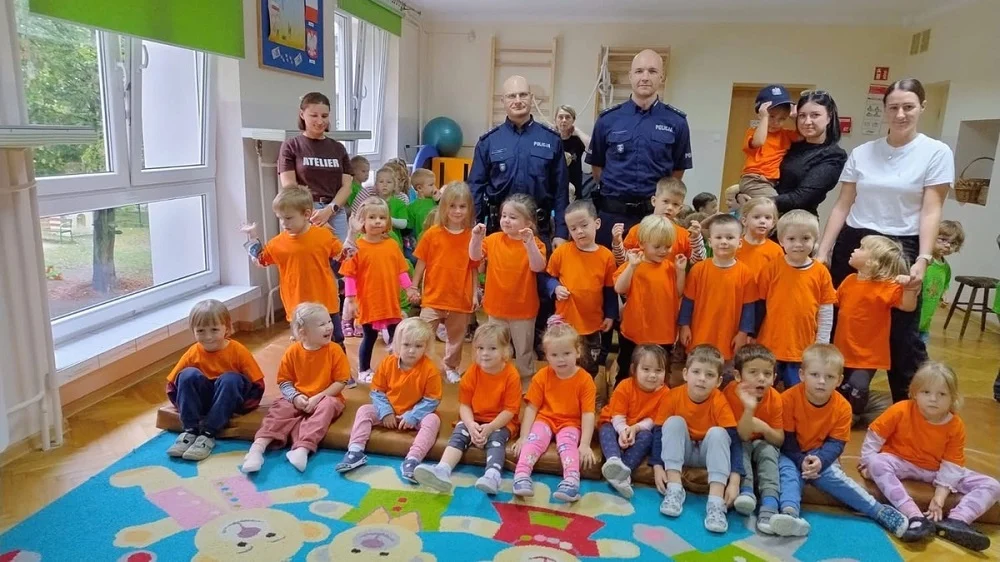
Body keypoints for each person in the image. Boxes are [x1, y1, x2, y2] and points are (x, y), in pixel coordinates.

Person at [817, 78, 954, 403]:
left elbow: (931, 210)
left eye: (908, 107)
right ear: (884, 110)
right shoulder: (863, 152)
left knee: (902, 331)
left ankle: (912, 406)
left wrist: (923, 258)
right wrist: (823, 250)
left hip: (902, 246)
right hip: (856, 241)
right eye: (893, 107)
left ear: (922, 107)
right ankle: (840, 399)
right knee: (844, 320)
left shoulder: (936, 152)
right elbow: (843, 204)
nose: (900, 114)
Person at [771, 344, 909, 539]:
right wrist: (800, 460)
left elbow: (836, 443)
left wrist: (821, 461)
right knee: (789, 475)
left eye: (829, 377)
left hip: (822, 454)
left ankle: (879, 511)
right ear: (802, 375)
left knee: (836, 479)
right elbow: (788, 440)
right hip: (791, 453)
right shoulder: (787, 399)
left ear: (839, 380)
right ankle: (789, 514)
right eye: (815, 375)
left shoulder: (843, 407)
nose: (821, 381)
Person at [860, 362, 1000, 551]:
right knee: (877, 462)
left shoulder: (955, 425)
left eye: (942, 394)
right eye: (926, 392)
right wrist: (867, 462)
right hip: (901, 462)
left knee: (992, 485)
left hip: (937, 470)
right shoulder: (900, 410)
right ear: (914, 393)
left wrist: (939, 498)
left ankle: (956, 521)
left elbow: (952, 464)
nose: (933, 399)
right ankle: (914, 516)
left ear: (953, 398)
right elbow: (875, 436)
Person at [587, 49, 693, 249]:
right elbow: (597, 168)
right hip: (612, 215)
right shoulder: (608, 119)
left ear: (662, 77)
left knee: (652, 267)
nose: (645, 77)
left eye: (652, 71)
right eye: (639, 71)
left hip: (653, 217)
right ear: (630, 76)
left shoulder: (676, 121)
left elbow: (677, 172)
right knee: (610, 267)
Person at [413, 323, 522, 495]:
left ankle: (492, 475)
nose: (485, 353)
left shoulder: (511, 375)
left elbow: (510, 410)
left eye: (492, 348)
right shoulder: (472, 372)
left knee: (496, 439)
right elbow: (465, 405)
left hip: (500, 422)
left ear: (505, 351)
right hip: (474, 418)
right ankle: (443, 469)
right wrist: (471, 425)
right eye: (480, 348)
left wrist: (490, 427)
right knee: (459, 433)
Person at [241, 303, 350, 473]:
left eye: (329, 321)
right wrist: (295, 397)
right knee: (280, 409)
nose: (329, 326)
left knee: (327, 406)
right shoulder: (292, 352)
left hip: (327, 397)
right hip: (298, 397)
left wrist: (318, 397)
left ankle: (302, 449)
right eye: (322, 324)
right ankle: (257, 449)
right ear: (303, 333)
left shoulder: (335, 350)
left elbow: (341, 381)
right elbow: (284, 382)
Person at [335, 318, 442, 482]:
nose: (411, 351)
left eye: (418, 346)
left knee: (433, 420)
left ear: (426, 347)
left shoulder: (430, 370)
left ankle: (413, 459)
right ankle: (355, 451)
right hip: (389, 410)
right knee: (364, 410)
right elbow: (377, 391)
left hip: (414, 415)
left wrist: (413, 416)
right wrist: (385, 412)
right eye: (406, 345)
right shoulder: (387, 363)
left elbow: (432, 400)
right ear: (397, 344)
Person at [651, 345, 743, 534]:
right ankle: (675, 488)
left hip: (707, 455)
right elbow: (659, 432)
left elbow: (734, 442)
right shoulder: (673, 396)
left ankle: (716, 502)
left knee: (719, 433)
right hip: (682, 452)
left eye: (709, 375)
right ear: (686, 374)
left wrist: (734, 481)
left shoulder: (719, 401)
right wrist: (657, 466)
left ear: (718, 381)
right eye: (696, 372)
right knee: (674, 422)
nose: (702, 378)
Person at [469, 75, 570, 245]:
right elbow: (475, 189)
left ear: (531, 98)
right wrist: (475, 229)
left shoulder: (551, 140)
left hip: (539, 231)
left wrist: (561, 232)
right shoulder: (489, 142)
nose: (517, 101)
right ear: (503, 100)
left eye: (523, 95)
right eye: (511, 96)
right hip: (499, 232)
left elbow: (561, 190)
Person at [241, 186, 346, 349]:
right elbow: (260, 260)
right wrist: (253, 237)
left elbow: (343, 256)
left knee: (336, 341)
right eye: (280, 218)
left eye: (289, 218)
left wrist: (354, 234)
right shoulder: (277, 244)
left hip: (325, 302)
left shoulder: (323, 236)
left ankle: (340, 366)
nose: (284, 223)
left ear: (306, 214)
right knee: (304, 346)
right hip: (297, 306)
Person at [165, 300, 266, 461]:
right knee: (187, 374)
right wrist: (185, 406)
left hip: (229, 399)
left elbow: (257, 383)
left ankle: (208, 433)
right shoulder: (193, 352)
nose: (208, 337)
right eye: (201, 331)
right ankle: (190, 430)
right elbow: (173, 385)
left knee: (230, 379)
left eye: (214, 330)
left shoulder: (237, 350)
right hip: (204, 400)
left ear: (227, 328)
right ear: (193, 331)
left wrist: (243, 407)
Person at [510, 321, 597, 502]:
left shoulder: (585, 380)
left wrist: (585, 444)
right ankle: (521, 475)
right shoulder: (542, 376)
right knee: (533, 441)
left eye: (566, 353)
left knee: (568, 445)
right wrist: (523, 436)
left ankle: (571, 481)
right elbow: (532, 407)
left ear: (578, 352)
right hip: (545, 420)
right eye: (554, 355)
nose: (561, 359)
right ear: (547, 356)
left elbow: (588, 414)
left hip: (570, 423)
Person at [834, 235, 919, 416]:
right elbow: (835, 300)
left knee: (858, 386)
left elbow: (908, 306)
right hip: (842, 349)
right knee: (840, 385)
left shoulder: (887, 287)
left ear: (873, 262)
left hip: (868, 355)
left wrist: (909, 288)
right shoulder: (849, 280)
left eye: (861, 248)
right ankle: (842, 412)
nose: (855, 250)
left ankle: (855, 413)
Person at [469, 194, 548, 385]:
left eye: (513, 217)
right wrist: (476, 238)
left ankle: (526, 382)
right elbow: (474, 257)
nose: (506, 220)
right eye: (504, 215)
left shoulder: (536, 243)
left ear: (528, 222)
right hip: (496, 307)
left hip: (523, 309)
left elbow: (538, 266)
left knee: (523, 350)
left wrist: (529, 243)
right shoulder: (493, 239)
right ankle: (497, 378)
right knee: (496, 347)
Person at [756, 210, 837, 388]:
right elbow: (759, 305)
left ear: (815, 240)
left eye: (805, 238)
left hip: (803, 349)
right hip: (770, 346)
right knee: (764, 390)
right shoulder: (771, 268)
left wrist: (822, 342)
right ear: (781, 240)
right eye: (791, 239)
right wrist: (752, 335)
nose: (798, 244)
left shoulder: (821, 272)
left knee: (797, 392)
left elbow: (826, 309)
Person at [341, 198, 418, 383]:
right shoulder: (356, 247)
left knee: (395, 336)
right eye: (372, 217)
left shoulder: (391, 245)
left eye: (382, 218)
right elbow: (349, 275)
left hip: (390, 300)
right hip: (369, 302)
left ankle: (397, 367)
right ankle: (364, 370)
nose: (377, 221)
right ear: (362, 221)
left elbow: (401, 270)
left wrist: (409, 289)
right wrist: (350, 299)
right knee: (369, 336)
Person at [413, 182, 479, 383]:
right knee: (421, 333)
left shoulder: (472, 236)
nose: (457, 211)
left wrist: (475, 294)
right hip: (433, 297)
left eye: (462, 206)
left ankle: (451, 366)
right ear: (444, 207)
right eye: (452, 206)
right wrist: (413, 286)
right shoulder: (432, 234)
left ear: (469, 208)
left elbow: (474, 268)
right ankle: (418, 365)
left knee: (456, 338)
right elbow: (421, 263)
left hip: (460, 298)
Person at [545, 200, 617, 377]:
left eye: (584, 225)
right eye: (573, 228)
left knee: (590, 366)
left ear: (597, 223)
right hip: (565, 323)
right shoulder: (561, 252)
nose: (579, 231)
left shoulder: (606, 256)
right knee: (563, 363)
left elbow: (609, 289)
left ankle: (586, 390)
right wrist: (555, 288)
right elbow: (547, 277)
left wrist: (610, 315)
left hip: (592, 323)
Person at [613, 215, 687, 385]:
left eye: (667, 246)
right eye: (657, 246)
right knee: (626, 372)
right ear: (642, 244)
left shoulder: (670, 268)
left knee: (660, 375)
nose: (663, 251)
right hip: (634, 333)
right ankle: (620, 399)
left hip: (663, 334)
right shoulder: (633, 264)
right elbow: (619, 288)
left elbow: (678, 292)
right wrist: (631, 267)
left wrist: (681, 271)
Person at [678, 214, 756, 367]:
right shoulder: (698, 270)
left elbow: (748, 307)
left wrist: (743, 333)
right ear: (710, 241)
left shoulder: (746, 273)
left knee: (725, 374)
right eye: (718, 237)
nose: (724, 242)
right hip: (699, 336)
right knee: (698, 370)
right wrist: (684, 325)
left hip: (728, 338)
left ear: (740, 242)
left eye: (730, 237)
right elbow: (688, 301)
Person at [724, 344, 784, 534]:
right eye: (753, 372)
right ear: (738, 376)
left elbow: (779, 440)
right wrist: (749, 410)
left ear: (774, 378)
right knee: (740, 447)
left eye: (767, 374)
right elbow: (741, 436)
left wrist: (764, 428)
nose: (761, 378)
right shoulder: (729, 393)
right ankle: (747, 493)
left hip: (762, 441)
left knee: (768, 451)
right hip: (739, 439)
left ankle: (770, 504)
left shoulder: (775, 398)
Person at [279, 92, 352, 241]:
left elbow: (347, 187)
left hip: (335, 210)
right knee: (310, 252)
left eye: (324, 116)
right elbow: (290, 187)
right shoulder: (291, 146)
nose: (320, 121)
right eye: (314, 115)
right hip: (304, 211)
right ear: (302, 114)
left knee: (340, 253)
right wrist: (314, 215)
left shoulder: (338, 148)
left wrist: (329, 210)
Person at [598, 344, 669, 498]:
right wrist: (623, 430)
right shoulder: (625, 386)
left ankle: (623, 471)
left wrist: (635, 429)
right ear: (634, 369)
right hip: (615, 424)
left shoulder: (665, 393)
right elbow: (617, 415)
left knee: (648, 437)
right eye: (646, 369)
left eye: (659, 371)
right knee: (605, 429)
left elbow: (653, 420)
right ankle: (614, 460)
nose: (652, 375)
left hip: (640, 430)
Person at [765, 90, 848, 216]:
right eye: (802, 116)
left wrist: (758, 202)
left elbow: (801, 198)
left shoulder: (833, 155)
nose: (807, 122)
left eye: (815, 115)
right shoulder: (792, 145)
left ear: (829, 117)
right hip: (768, 215)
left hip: (798, 222)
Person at [613, 177, 705, 265]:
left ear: (680, 209)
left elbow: (697, 262)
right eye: (665, 201)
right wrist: (617, 243)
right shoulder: (637, 230)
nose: (670, 207)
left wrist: (696, 239)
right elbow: (623, 261)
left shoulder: (683, 235)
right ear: (654, 201)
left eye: (675, 204)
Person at [739, 85, 799, 200]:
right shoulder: (753, 132)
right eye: (771, 116)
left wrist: (794, 118)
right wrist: (764, 118)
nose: (776, 122)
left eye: (782, 119)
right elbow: (759, 141)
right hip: (753, 180)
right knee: (774, 204)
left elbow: (802, 137)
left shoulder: (785, 134)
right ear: (760, 114)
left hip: (770, 182)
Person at [919, 220, 965, 342]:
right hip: (911, 319)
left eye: (953, 243)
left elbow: (945, 284)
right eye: (943, 240)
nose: (948, 245)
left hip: (925, 323)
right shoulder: (923, 261)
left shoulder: (946, 268)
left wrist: (944, 294)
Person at [734, 197, 783, 280]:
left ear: (773, 223)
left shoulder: (776, 250)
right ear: (744, 221)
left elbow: (778, 277)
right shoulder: (734, 245)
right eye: (756, 217)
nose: (762, 221)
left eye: (767, 217)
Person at [553, 105, 591, 197]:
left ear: (573, 120)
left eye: (568, 117)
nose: (564, 120)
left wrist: (577, 131)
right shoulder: (550, 139)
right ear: (555, 120)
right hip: (554, 189)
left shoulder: (577, 140)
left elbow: (593, 148)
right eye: (560, 117)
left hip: (574, 191)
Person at [407, 168, 439, 242]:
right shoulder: (412, 207)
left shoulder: (436, 201)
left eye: (434, 184)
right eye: (431, 185)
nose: (435, 188)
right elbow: (409, 228)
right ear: (419, 188)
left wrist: (439, 200)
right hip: (422, 242)